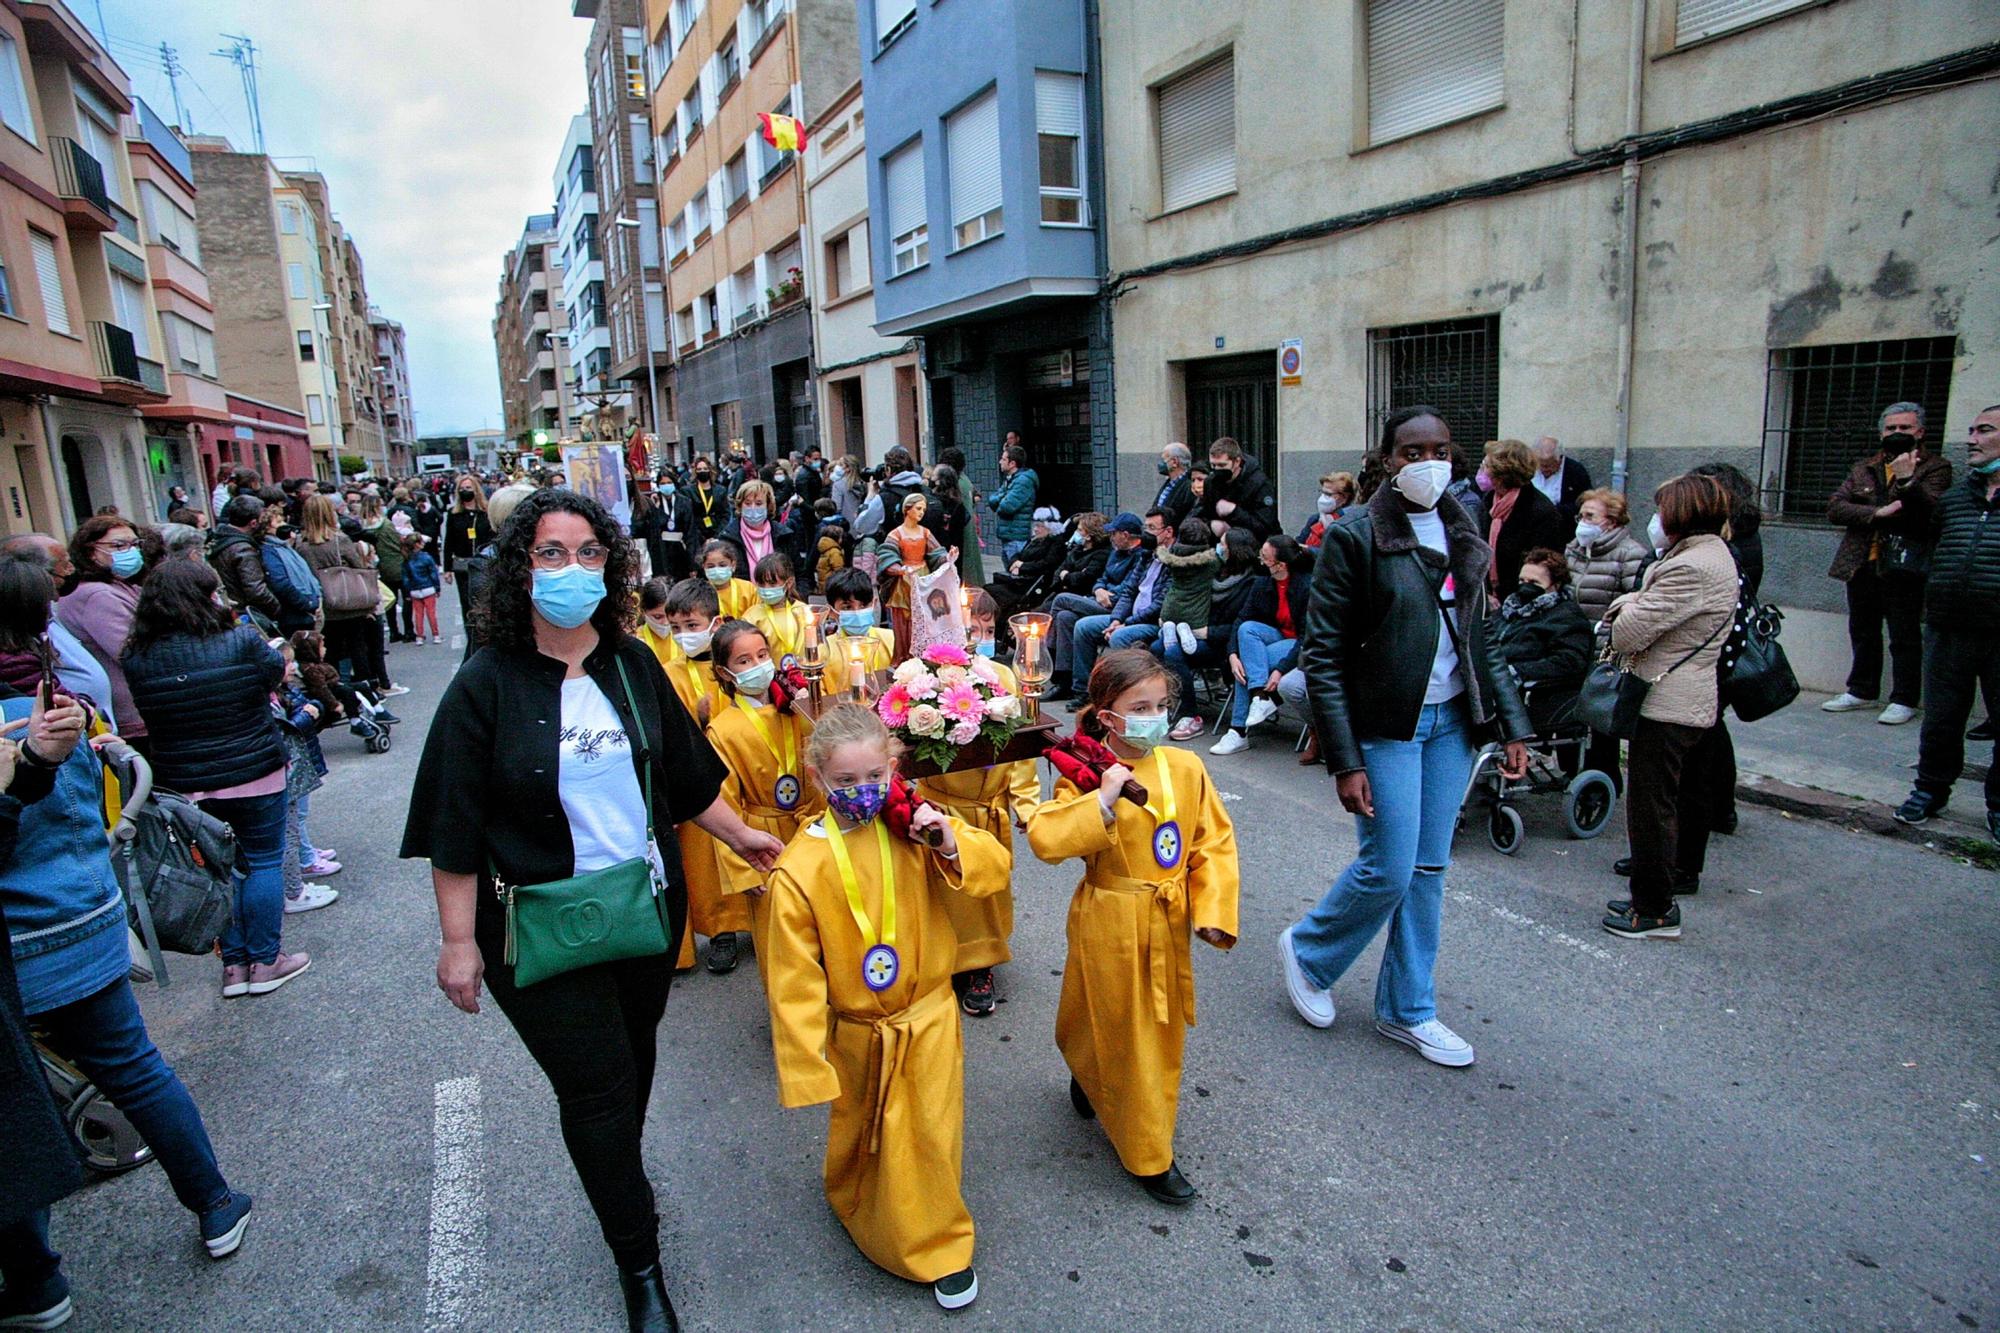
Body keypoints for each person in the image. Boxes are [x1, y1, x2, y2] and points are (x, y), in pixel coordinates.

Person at [402, 489, 782, 1332]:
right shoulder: (484, 685)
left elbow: (685, 777)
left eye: (586, 553)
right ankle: (640, 1264)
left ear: (609, 567)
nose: (570, 570)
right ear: (519, 568)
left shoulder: (632, 663)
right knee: (601, 1092)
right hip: (535, 928)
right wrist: (458, 941)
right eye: (549, 552)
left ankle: (615, 1178)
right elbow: (451, 826)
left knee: (632, 1068)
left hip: (643, 912)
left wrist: (745, 835)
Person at [1, 590, 255, 1325]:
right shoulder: (62, 707)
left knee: (12, 1106)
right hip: (84, 924)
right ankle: (214, 1203)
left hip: (16, 943)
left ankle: (37, 1278)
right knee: (136, 1069)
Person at [1281, 405, 1530, 1065]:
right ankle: (1310, 951)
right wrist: (1344, 758)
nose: (1428, 463)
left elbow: (1483, 634)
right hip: (1387, 723)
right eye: (1412, 451)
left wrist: (1512, 725)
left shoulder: (1465, 522)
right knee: (1388, 867)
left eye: (1440, 450)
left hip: (1453, 721)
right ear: (1388, 459)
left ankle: (1407, 1008)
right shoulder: (1356, 533)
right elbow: (1324, 653)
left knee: (1427, 869)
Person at [762, 701, 1003, 1308]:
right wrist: (806, 1061)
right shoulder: (800, 868)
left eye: (874, 777)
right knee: (866, 1130)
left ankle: (937, 1243)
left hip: (929, 1016)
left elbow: (992, 869)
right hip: (860, 1029)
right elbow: (791, 979)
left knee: (930, 1129)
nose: (862, 792)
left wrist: (950, 843)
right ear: (817, 777)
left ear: (893, 768)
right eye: (845, 781)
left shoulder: (915, 828)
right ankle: (855, 1198)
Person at [1026, 648, 1238, 1205]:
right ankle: (1115, 1103)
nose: (1154, 716)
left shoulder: (1186, 768)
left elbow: (1210, 842)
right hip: (1109, 916)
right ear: (1106, 715)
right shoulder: (1089, 772)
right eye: (1139, 706)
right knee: (1114, 1015)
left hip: (1163, 918)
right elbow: (1047, 839)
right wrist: (1100, 801)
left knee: (1148, 1034)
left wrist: (1212, 909)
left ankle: (1144, 1142)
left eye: (1161, 705)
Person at [121, 560, 305, 996]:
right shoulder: (239, 639)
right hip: (254, 768)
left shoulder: (137, 658)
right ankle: (266, 960)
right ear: (207, 597)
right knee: (261, 861)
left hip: (183, 782)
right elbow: (275, 672)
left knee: (220, 870)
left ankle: (233, 967)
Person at [1599, 475, 1740, 940]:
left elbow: (1627, 633)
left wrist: (1624, 604)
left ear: (1682, 514)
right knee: (1667, 802)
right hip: (1687, 695)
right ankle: (1655, 894)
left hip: (1666, 702)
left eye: (1660, 510)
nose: (1654, 519)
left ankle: (1654, 910)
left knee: (1651, 808)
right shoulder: (1707, 555)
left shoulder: (1691, 567)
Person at [914, 590, 1041, 1017]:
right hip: (944, 805)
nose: (979, 638)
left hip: (988, 808)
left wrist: (1025, 804)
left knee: (986, 893)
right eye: (971, 630)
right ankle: (944, 960)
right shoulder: (925, 679)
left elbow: (1020, 750)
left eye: (988, 630)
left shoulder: (1005, 677)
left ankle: (983, 963)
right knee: (945, 893)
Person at [1894, 404, 1999, 840]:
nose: (1971, 439)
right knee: (1940, 719)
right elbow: (1922, 530)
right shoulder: (1958, 497)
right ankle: (1931, 790)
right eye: (1971, 431)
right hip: (1948, 627)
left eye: (1984, 430)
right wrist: (1906, 483)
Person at [1821, 402, 1954, 725]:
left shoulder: (1935, 468)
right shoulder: (1865, 467)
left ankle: (1904, 698)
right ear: (1881, 432)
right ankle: (1862, 690)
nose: (1897, 434)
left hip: (1904, 563)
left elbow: (1930, 511)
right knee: (1863, 628)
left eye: (1905, 428)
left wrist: (1908, 482)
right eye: (1891, 428)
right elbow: (1836, 507)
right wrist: (1875, 513)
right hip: (1863, 560)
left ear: (1920, 432)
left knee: (1904, 632)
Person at [653, 578, 755, 974]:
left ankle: (756, 919)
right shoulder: (667, 672)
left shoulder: (730, 665)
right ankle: (721, 931)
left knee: (744, 845)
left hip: (738, 769)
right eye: (675, 628)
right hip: (694, 778)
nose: (683, 636)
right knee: (704, 862)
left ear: (715, 623)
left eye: (692, 626)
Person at [54, 516, 156, 755]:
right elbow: (132, 652)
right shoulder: (97, 595)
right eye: (118, 546)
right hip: (129, 711)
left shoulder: (120, 584)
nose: (129, 552)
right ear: (91, 552)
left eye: (134, 544)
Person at [1210, 534, 1314, 756]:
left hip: (1299, 644)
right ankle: (1260, 695)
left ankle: (1238, 731)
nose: (1261, 561)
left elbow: (1308, 636)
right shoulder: (1263, 583)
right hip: (1275, 639)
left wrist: (1280, 670)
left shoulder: (1306, 586)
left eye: (1265, 558)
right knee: (1247, 629)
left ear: (1280, 565)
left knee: (1250, 663)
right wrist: (1233, 655)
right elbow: (1241, 620)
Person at [1159, 528, 1262, 743]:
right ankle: (1161, 705)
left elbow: (1242, 623)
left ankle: (1189, 715)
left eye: (1223, 544)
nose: (1218, 548)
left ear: (1235, 551)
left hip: (1223, 641)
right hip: (1194, 631)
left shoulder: (1252, 582)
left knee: (1174, 653)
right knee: (1156, 647)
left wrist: (1209, 633)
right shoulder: (1214, 571)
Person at [298, 495, 395, 699]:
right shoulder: (338, 539)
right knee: (358, 647)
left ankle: (338, 690)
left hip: (326, 604)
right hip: (349, 601)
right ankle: (366, 692)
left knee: (331, 649)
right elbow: (358, 567)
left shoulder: (302, 545)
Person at [1491, 548, 1595, 733]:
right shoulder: (1509, 609)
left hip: (1526, 694)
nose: (1525, 586)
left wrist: (1519, 672)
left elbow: (1569, 661)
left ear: (1555, 585)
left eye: (1534, 582)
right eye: (1522, 581)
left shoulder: (1566, 616)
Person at [1046, 513, 1146, 699]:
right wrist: (1099, 589)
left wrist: (1107, 593)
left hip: (1118, 607)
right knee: (1064, 617)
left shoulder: (1140, 557)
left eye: (1114, 533)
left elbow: (1129, 588)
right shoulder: (1115, 553)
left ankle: (1048, 651)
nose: (1111, 537)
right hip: (1100, 599)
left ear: (1125, 535)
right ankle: (1070, 684)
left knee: (1061, 600)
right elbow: (1102, 578)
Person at [1069, 510, 1170, 692]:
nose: (1146, 533)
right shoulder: (1147, 555)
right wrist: (1116, 619)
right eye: (1145, 527)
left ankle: (1122, 694)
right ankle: (1082, 691)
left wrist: (1126, 623)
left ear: (1168, 532)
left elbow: (1159, 605)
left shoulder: (1172, 561)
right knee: (1082, 626)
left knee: (1119, 636)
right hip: (1125, 615)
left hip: (1151, 621)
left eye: (1152, 528)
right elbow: (1129, 592)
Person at [1480, 439, 1569, 599]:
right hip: (1489, 599)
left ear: (1501, 473)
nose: (1482, 472)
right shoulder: (1488, 503)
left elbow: (1542, 566)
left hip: (1522, 601)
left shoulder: (1540, 511)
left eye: (1486, 466)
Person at [208, 495, 283, 622]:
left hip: (233, 610)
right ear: (253, 523)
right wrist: (277, 608)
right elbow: (256, 591)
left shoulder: (219, 539)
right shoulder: (243, 549)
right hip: (247, 614)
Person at [822, 568, 896, 694]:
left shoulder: (892, 639)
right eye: (847, 607)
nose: (857, 612)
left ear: (874, 603)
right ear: (831, 612)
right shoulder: (823, 651)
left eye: (863, 605)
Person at [1157, 516, 1221, 657]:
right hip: (1195, 614)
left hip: (1169, 608)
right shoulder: (1211, 562)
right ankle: (1183, 632)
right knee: (1191, 635)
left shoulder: (1171, 557)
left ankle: (1169, 630)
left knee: (1166, 630)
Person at [1198, 437, 1278, 540]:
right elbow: (1202, 513)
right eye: (1213, 465)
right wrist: (1211, 525)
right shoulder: (1211, 482)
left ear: (1237, 462)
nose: (1217, 469)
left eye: (1222, 465)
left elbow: (1265, 526)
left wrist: (1234, 511)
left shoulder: (1259, 484)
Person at [441, 476, 494, 626]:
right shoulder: (454, 514)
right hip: (463, 565)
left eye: (468, 488)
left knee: (486, 600)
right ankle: (471, 636)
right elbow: (449, 541)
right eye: (462, 489)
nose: (465, 491)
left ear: (476, 490)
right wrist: (447, 568)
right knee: (467, 603)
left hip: (484, 563)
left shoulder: (485, 511)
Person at [746, 552, 812, 669]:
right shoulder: (751, 616)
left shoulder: (803, 611)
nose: (766, 589)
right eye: (761, 583)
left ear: (789, 583)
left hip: (801, 676)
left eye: (772, 583)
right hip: (768, 678)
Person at [938, 447, 985, 587]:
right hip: (968, 527)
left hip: (960, 529)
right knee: (972, 563)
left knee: (964, 565)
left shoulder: (954, 484)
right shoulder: (965, 480)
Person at [988, 444, 1039, 563]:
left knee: (1014, 574)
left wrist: (1003, 496)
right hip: (1009, 536)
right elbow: (992, 501)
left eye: (1004, 459)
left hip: (1016, 537)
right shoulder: (1011, 479)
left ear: (1012, 463)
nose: (1000, 462)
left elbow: (1006, 507)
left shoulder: (1023, 481)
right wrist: (1005, 494)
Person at [1528, 436, 1593, 524]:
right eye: (1540, 465)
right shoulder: (1528, 468)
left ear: (1560, 459)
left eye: (1548, 465)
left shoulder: (1575, 470)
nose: (1543, 469)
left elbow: (1585, 501)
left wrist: (1553, 510)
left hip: (1562, 524)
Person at [697, 539, 758, 620]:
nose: (717, 570)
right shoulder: (700, 593)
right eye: (711, 566)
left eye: (722, 565)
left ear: (733, 565)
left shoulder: (748, 588)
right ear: (703, 567)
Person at [1297, 473, 1355, 549]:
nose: (1323, 497)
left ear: (1344, 498)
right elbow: (1299, 542)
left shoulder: (1350, 523)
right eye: (1322, 492)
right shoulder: (1315, 519)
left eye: (1328, 494)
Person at [402, 534, 442, 644]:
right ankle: (436, 635)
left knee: (418, 614)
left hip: (414, 589)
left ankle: (419, 636)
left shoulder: (406, 559)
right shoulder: (427, 557)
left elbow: (405, 578)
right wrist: (437, 588)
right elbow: (433, 574)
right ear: (417, 544)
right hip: (428, 587)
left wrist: (408, 591)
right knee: (431, 613)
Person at [1151, 443, 1195, 531]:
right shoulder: (1169, 484)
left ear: (1175, 462)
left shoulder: (1188, 486)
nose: (1161, 463)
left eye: (1164, 459)